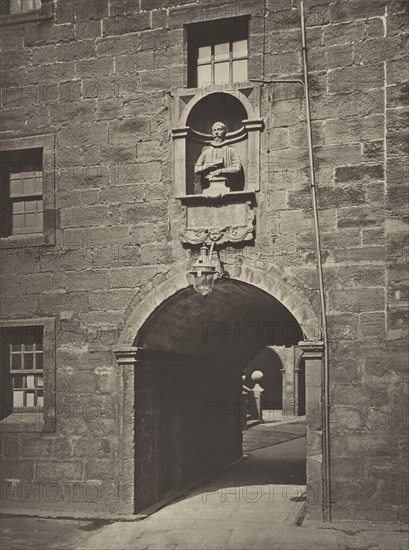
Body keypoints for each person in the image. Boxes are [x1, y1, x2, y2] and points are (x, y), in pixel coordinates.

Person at [194, 121, 242, 194]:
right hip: (209, 185)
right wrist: (209, 165)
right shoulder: (206, 152)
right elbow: (197, 169)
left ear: (225, 132)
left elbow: (237, 168)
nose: (216, 133)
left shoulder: (231, 151)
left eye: (219, 129)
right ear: (212, 133)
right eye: (214, 130)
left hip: (228, 185)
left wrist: (221, 171)